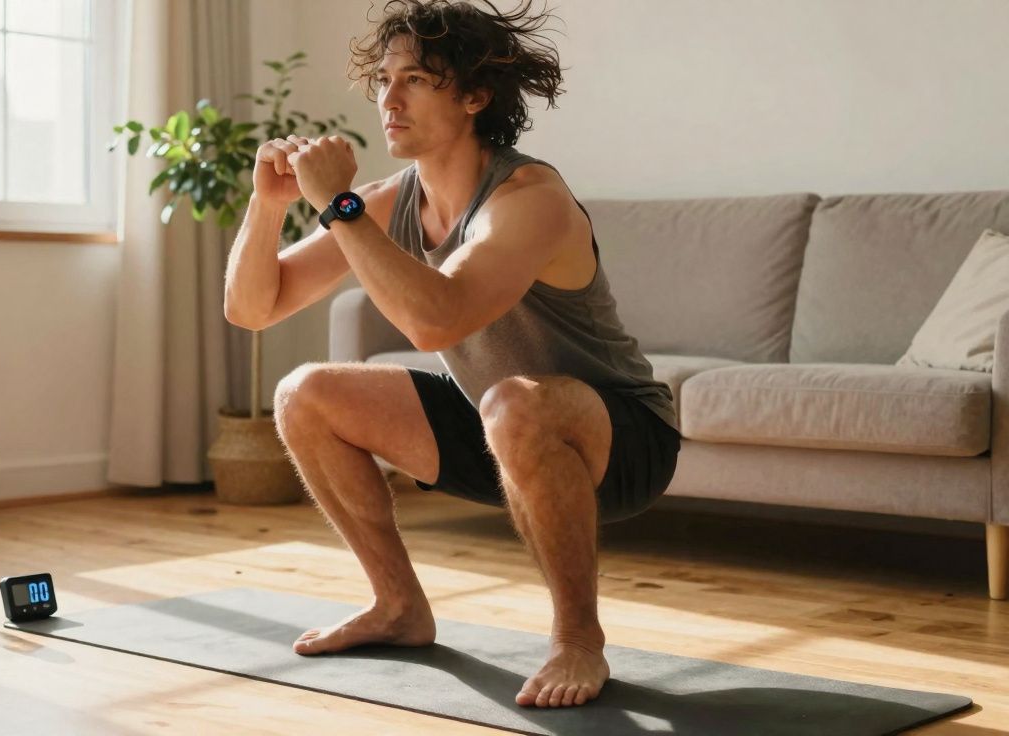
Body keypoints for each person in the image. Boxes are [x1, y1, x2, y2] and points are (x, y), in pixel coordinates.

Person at [223, 0, 680, 709]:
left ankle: (578, 641)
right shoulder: (386, 201)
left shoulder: (530, 198)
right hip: (495, 423)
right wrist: (269, 203)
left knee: (512, 403)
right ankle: (398, 605)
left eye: (415, 79)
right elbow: (252, 308)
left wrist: (338, 205)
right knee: (303, 394)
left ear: (474, 95)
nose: (389, 99)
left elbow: (437, 320)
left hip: (620, 441)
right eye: (382, 79)